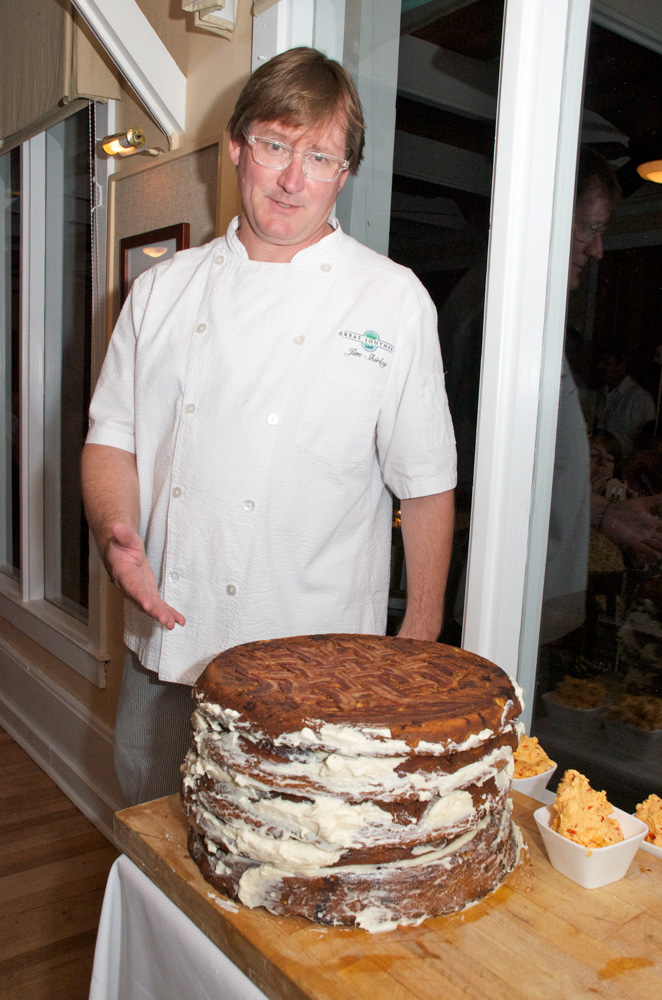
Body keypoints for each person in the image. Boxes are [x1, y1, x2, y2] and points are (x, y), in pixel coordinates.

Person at [81, 47, 457, 805]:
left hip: (314, 666)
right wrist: (116, 531)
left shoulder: (391, 300)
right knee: (156, 842)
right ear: (237, 146)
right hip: (169, 647)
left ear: (343, 174)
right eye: (276, 145)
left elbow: (425, 489)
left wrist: (415, 644)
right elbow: (110, 438)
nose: (293, 179)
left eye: (319, 156)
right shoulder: (162, 292)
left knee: (291, 870)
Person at [540, 146, 662, 644]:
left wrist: (603, 509)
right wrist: (603, 512)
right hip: (495, 595)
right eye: (588, 228)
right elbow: (484, 473)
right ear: (544, 214)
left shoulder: (542, 323)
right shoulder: (497, 319)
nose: (597, 249)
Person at [593, 346, 656, 459]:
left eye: (606, 363)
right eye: (600, 362)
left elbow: (646, 441)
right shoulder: (599, 394)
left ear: (621, 366)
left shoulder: (640, 397)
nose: (600, 367)